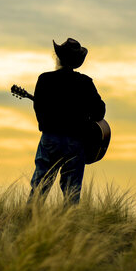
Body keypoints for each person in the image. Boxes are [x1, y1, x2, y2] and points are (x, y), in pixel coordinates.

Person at [28, 38, 105, 205]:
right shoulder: (85, 83)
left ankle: (28, 220)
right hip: (76, 142)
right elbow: (100, 111)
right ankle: (70, 226)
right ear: (77, 62)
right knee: (72, 191)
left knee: (40, 185)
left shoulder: (45, 79)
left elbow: (38, 108)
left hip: (50, 138)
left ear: (59, 58)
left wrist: (47, 126)